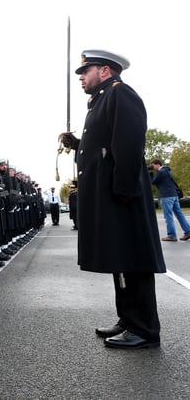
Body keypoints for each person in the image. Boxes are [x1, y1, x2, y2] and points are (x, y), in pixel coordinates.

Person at [60, 49, 166, 349]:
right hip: (114, 193)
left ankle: (144, 329)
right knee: (121, 258)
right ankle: (129, 319)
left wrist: (123, 189)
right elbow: (106, 145)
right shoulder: (103, 98)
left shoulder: (120, 94)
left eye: (85, 71)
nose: (81, 77)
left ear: (104, 71)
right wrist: (79, 144)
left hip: (123, 194)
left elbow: (129, 145)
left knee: (133, 260)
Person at [150, 159, 190, 241]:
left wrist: (150, 174)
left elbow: (153, 182)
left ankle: (172, 235)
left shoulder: (161, 172)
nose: (152, 167)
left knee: (168, 216)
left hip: (167, 196)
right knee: (179, 214)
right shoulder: (167, 170)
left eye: (153, 165)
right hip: (174, 195)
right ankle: (188, 231)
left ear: (157, 164)